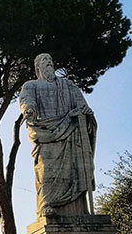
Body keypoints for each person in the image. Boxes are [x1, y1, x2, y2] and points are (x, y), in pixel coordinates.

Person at [20, 53, 97, 217]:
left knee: (75, 170)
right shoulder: (31, 85)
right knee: (46, 170)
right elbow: (27, 101)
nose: (48, 63)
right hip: (45, 133)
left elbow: (82, 104)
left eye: (50, 60)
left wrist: (85, 112)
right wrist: (29, 110)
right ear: (38, 67)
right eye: (44, 61)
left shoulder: (67, 84)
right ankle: (47, 205)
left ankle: (79, 209)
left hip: (71, 131)